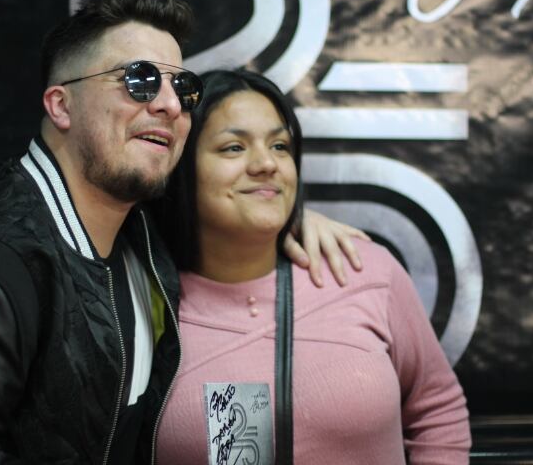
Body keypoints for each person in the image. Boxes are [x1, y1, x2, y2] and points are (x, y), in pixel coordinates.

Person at [0, 0, 366, 464]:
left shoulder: (138, 233)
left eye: (183, 88)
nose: (171, 105)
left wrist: (291, 218)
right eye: (140, 81)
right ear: (61, 106)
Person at [153, 69, 472, 464]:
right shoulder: (147, 301)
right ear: (180, 168)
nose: (266, 163)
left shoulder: (362, 270)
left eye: (281, 146)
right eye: (234, 147)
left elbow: (437, 409)